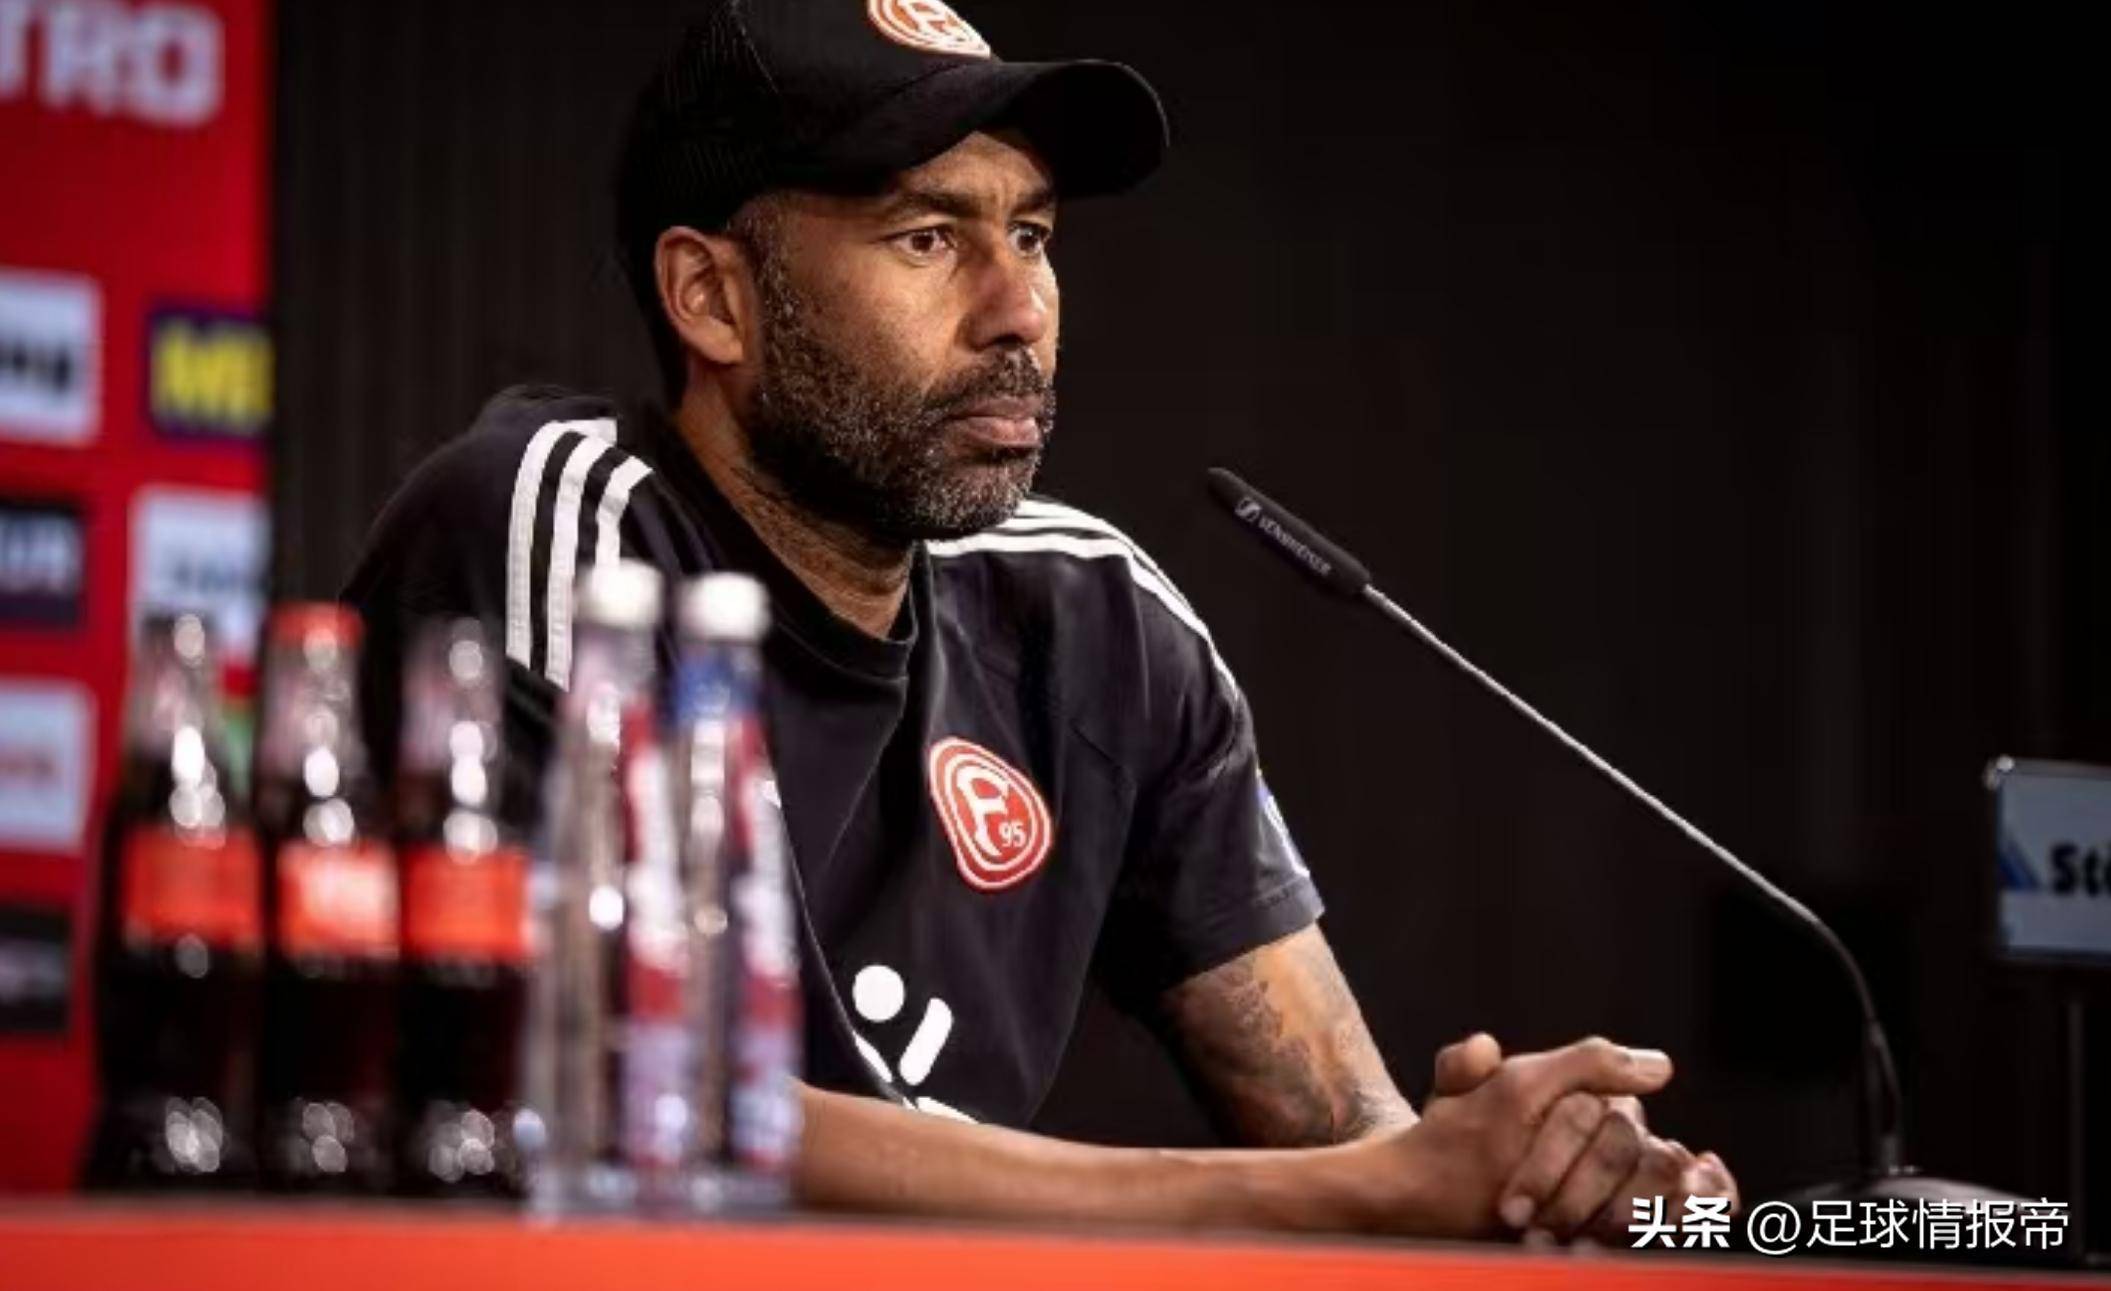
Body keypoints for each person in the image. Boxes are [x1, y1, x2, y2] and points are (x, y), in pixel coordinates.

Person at [343, 0, 1735, 1241]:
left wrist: (1526, 1181)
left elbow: (1353, 1153)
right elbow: (617, 1100)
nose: (1018, 310)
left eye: (1033, 235)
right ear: (715, 298)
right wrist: (1363, 1190)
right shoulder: (561, 533)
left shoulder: (1095, 619)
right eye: (928, 237)